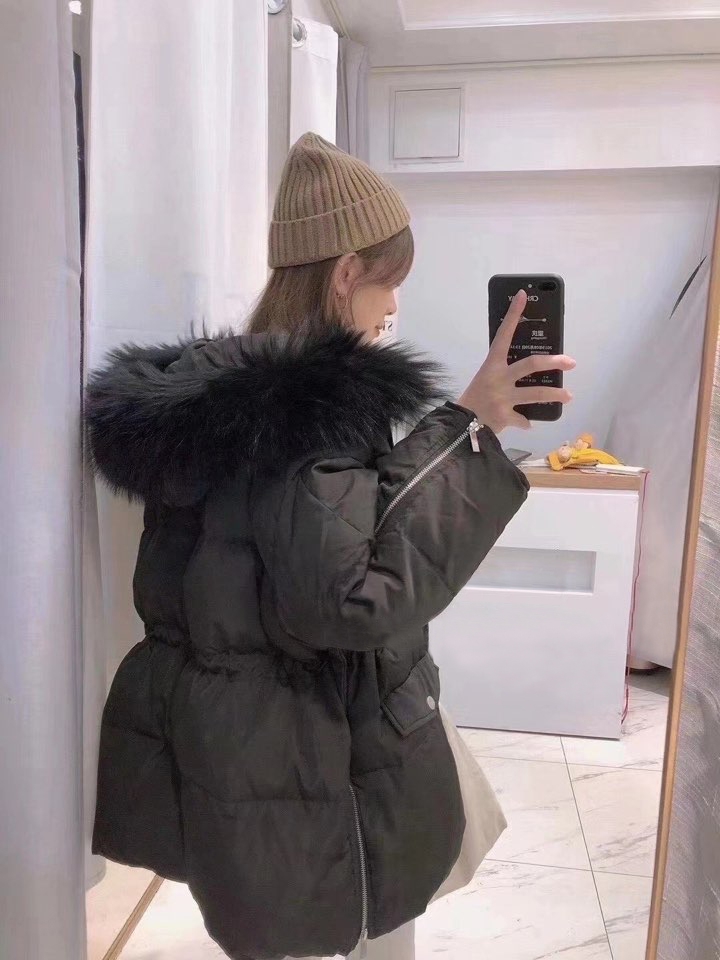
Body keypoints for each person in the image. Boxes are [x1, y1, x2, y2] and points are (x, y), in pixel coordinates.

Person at [86, 133, 575, 960]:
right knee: (346, 923)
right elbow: (353, 598)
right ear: (347, 272)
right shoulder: (309, 412)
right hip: (307, 752)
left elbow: (324, 535)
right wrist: (471, 430)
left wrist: (454, 428)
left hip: (237, 744)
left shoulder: (224, 395)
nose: (393, 307)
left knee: (282, 922)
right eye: (390, 282)